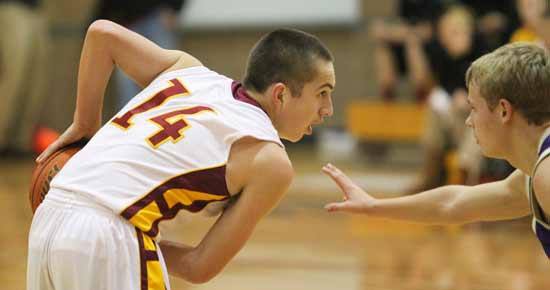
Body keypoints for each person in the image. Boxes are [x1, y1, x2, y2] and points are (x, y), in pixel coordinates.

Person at [28, 20, 335, 289]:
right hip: (111, 232)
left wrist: (84, 124)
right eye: (322, 92)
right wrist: (119, 251)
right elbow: (199, 266)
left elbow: (102, 34)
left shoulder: (186, 69)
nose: (327, 110)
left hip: (49, 213)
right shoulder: (271, 161)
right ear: (280, 94)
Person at [323, 42, 550, 259]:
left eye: (473, 108)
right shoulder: (534, 172)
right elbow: (452, 204)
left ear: (503, 111)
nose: (469, 121)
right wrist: (373, 206)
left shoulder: (545, 177)